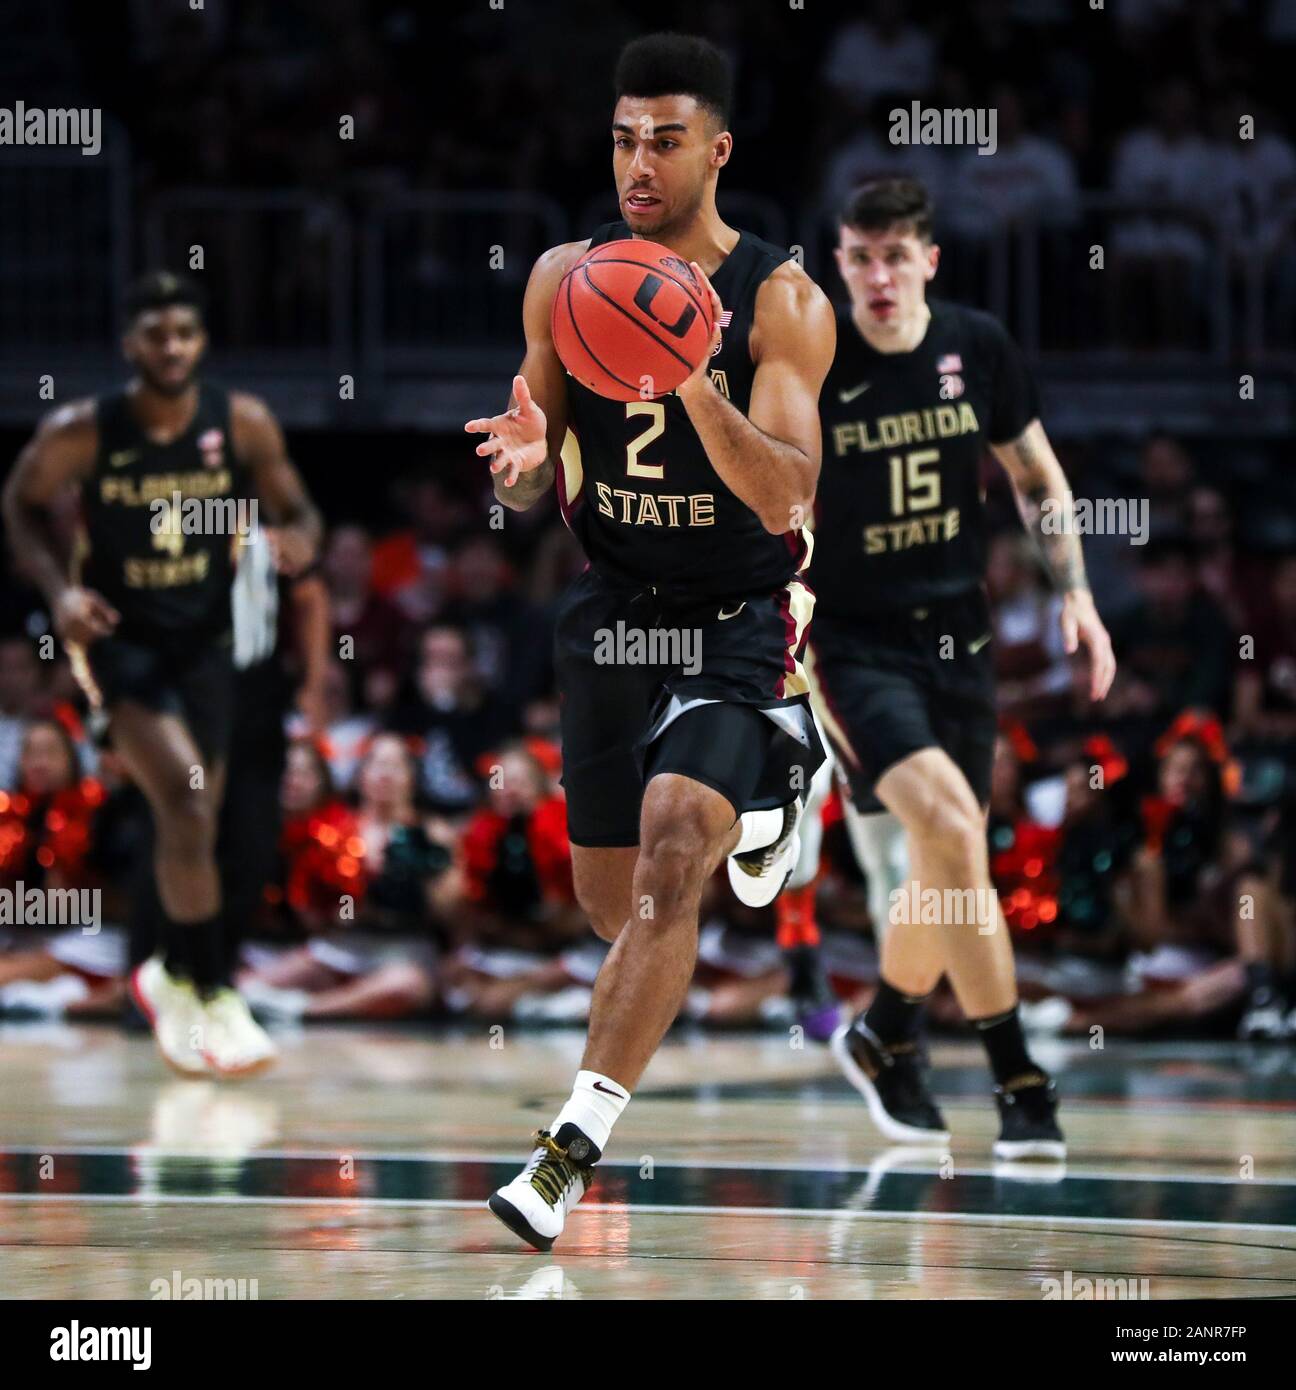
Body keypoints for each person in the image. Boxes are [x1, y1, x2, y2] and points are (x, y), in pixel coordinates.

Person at [464, 32, 834, 1250]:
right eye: (624, 137)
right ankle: (783, 787)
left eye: (664, 140)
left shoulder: (781, 298)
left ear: (716, 151)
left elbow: (787, 494)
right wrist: (520, 468)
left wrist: (689, 377)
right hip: (613, 611)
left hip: (740, 610)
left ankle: (568, 1150)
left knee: (678, 856)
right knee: (612, 903)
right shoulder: (565, 277)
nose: (638, 161)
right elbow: (530, 470)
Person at [807, 176, 1116, 1159]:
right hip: (852, 644)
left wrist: (1076, 593)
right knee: (948, 828)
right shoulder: (813, 358)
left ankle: (888, 1030)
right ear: (841, 262)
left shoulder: (976, 345)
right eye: (860, 256)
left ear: (930, 261)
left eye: (896, 255)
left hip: (960, 641)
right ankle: (1019, 1074)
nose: (878, 275)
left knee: (951, 860)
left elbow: (1036, 474)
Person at [1, 270, 322, 1076]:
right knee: (183, 795)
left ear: (200, 341)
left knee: (198, 817)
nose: (171, 347)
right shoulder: (86, 430)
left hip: (206, 641)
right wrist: (60, 591)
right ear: (130, 345)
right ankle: (210, 983)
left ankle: (173, 974)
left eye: (183, 333)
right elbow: (19, 502)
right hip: (121, 638)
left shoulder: (240, 422)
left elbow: (300, 512)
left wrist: (299, 544)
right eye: (155, 335)